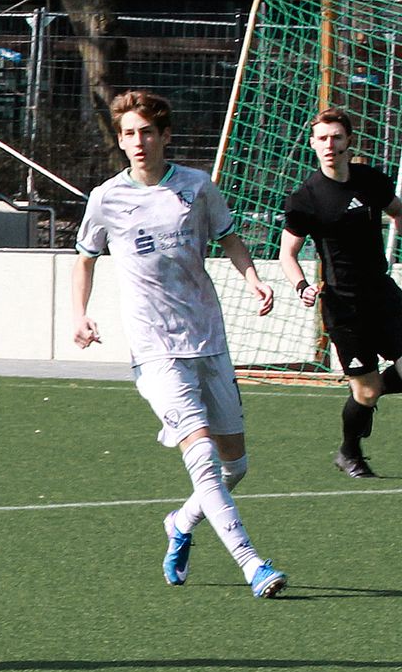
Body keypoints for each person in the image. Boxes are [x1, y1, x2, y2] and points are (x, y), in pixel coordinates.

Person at [73, 89, 287, 597]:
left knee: (236, 464)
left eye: (147, 131)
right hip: (155, 348)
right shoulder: (106, 198)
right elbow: (85, 256)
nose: (138, 141)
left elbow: (228, 237)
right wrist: (80, 314)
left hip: (208, 338)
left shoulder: (196, 187)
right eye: (129, 133)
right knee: (202, 453)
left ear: (165, 136)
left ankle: (180, 523)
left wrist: (253, 277)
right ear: (121, 141)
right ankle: (251, 562)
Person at [278, 106, 402, 478]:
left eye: (336, 137)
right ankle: (349, 452)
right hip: (343, 306)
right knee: (365, 393)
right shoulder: (305, 198)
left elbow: (398, 210)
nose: (329, 145)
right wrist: (301, 285)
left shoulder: (369, 180)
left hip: (382, 292)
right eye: (322, 139)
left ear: (349, 140)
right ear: (312, 144)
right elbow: (288, 253)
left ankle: (375, 387)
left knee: (375, 386)